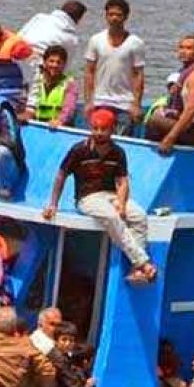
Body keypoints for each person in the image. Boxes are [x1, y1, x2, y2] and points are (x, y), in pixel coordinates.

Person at [43, 109, 157, 284]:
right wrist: (53, 204)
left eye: (103, 129)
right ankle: (143, 262)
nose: (98, 133)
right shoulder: (79, 150)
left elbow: (122, 181)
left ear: (112, 130)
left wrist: (122, 203)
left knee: (139, 216)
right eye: (95, 128)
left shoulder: (118, 152)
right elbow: (61, 176)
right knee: (111, 217)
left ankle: (136, 270)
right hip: (87, 198)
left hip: (110, 195)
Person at [82, 0, 146, 136]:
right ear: (106, 16)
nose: (114, 18)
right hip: (100, 101)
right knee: (98, 138)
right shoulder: (96, 40)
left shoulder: (135, 43)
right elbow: (89, 72)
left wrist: (136, 104)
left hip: (125, 103)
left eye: (118, 15)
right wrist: (88, 101)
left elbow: (138, 75)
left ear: (126, 17)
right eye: (111, 15)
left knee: (122, 138)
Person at [147, 35, 194, 152]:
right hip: (193, 126)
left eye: (188, 48)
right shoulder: (184, 74)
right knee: (158, 112)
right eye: (181, 48)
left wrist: (170, 138)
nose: (183, 51)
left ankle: (160, 152)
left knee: (154, 121)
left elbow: (191, 110)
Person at [18, 0, 87, 87]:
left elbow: (19, 36)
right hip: (37, 70)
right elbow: (63, 67)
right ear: (78, 19)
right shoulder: (71, 38)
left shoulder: (39, 17)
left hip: (16, 58)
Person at [44, 321, 108, 387]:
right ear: (55, 341)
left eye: (71, 340)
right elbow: (72, 383)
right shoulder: (58, 359)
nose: (68, 343)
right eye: (64, 340)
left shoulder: (63, 356)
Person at [23, 45, 79, 128]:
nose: (55, 65)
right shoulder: (34, 81)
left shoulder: (70, 84)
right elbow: (26, 103)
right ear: (44, 62)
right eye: (51, 61)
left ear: (64, 65)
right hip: (36, 125)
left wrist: (60, 120)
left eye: (59, 62)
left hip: (59, 127)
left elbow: (69, 108)